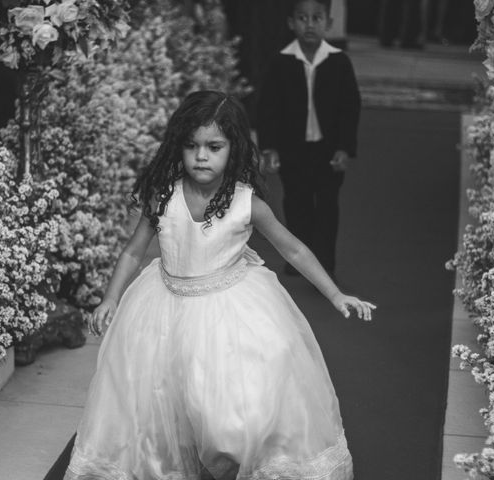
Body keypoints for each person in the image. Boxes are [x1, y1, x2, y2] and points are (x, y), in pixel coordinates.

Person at [63, 90, 375, 480]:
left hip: (229, 310)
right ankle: (171, 459)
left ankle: (242, 457)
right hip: (164, 306)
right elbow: (132, 252)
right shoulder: (163, 195)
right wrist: (110, 298)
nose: (201, 156)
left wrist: (335, 294)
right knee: (157, 395)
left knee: (227, 400)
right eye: (191, 146)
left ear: (234, 148)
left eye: (214, 146)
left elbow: (292, 249)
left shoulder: (247, 203)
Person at [256, 0, 361, 279]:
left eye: (317, 18)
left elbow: (350, 108)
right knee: (297, 203)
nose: (310, 24)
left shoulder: (339, 62)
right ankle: (299, 259)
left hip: (327, 150)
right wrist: (269, 147)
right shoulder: (280, 62)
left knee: (327, 205)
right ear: (291, 22)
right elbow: (268, 108)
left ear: (328, 23)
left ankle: (324, 262)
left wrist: (344, 147)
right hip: (294, 150)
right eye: (303, 18)